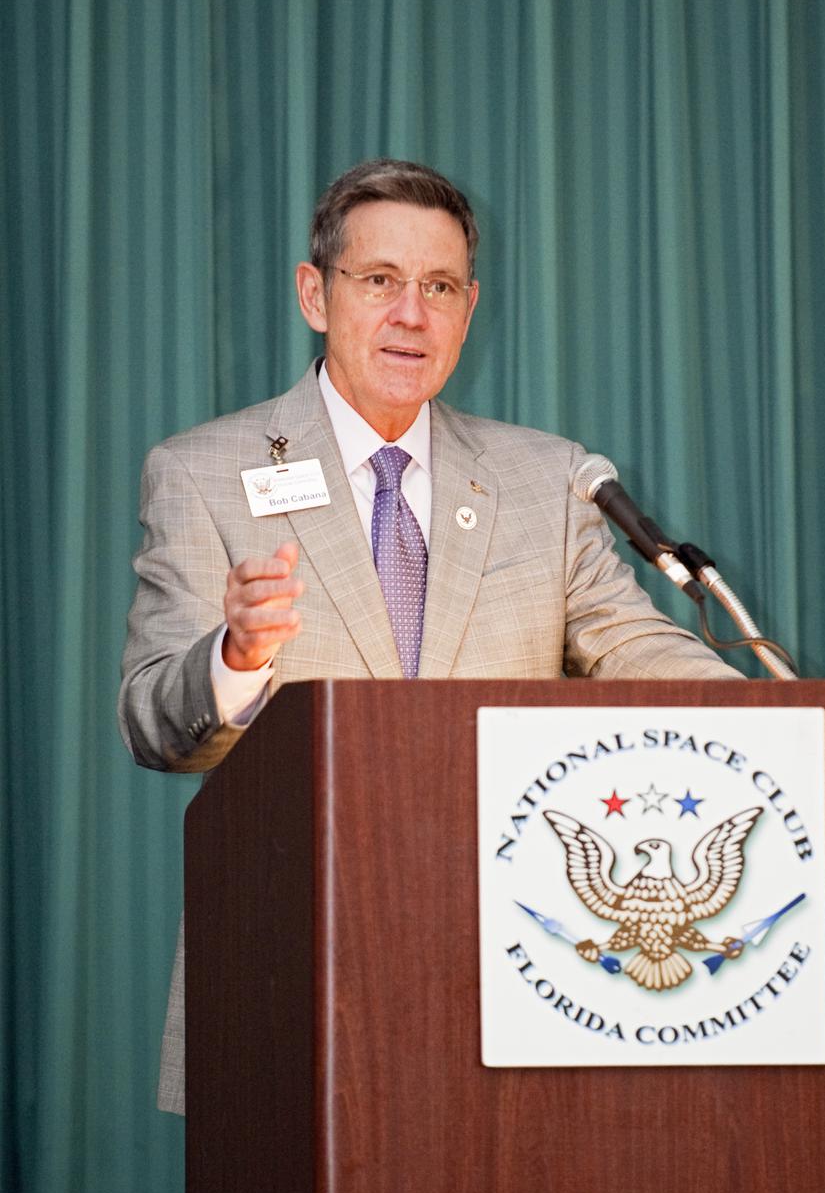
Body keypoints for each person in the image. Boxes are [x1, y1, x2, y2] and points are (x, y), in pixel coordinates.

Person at [119, 157, 741, 1115]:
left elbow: (635, 648)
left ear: (468, 306)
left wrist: (769, 725)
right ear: (314, 294)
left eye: (439, 287)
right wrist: (234, 658)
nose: (411, 313)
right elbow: (153, 722)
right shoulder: (204, 471)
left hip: (527, 971)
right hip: (294, 962)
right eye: (380, 281)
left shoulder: (547, 480)